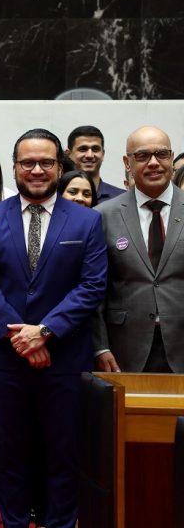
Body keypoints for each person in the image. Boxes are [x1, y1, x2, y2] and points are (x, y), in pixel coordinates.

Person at [0, 128, 106, 528]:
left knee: (63, 453)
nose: (36, 170)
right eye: (27, 162)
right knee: (8, 452)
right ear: (14, 167)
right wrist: (20, 337)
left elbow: (92, 287)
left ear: (59, 166)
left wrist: (45, 332)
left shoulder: (85, 221)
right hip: (4, 358)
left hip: (63, 357)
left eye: (46, 162)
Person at [94, 125, 183, 373]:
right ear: (127, 162)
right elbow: (94, 291)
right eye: (143, 156)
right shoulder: (103, 216)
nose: (153, 163)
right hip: (123, 347)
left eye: (162, 154)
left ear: (172, 159)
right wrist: (99, 347)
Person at [66, 125, 125, 205]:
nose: (89, 155)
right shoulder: (56, 196)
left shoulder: (121, 198)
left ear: (103, 154)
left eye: (95, 149)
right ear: (68, 154)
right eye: (83, 149)